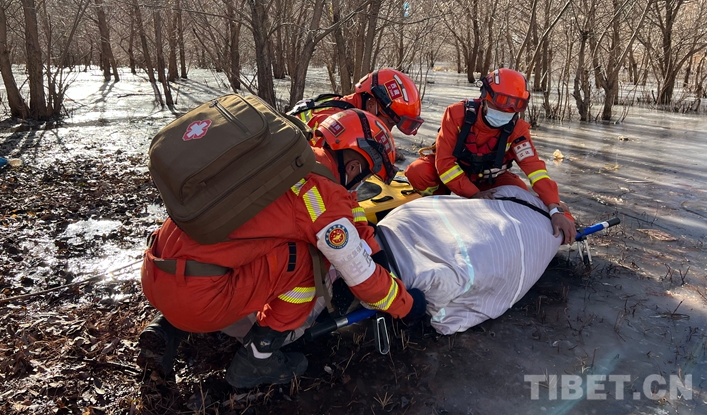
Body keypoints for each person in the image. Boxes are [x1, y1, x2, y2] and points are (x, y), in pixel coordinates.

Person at [138, 109, 426, 388]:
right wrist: (407, 306)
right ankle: (258, 357)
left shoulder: (290, 158)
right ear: (353, 168)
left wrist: (373, 247)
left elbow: (347, 208)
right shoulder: (321, 195)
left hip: (157, 271)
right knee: (310, 261)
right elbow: (361, 277)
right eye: (363, 178)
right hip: (197, 301)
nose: (358, 187)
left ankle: (168, 327)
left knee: (241, 247)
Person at [404, 68, 576, 244]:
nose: (507, 110)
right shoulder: (456, 115)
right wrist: (474, 194)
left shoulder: (517, 129)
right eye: (502, 101)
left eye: (516, 105)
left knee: (522, 196)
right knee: (418, 172)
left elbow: (535, 169)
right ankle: (438, 207)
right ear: (485, 95)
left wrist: (555, 209)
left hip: (490, 179)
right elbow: (445, 164)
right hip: (453, 177)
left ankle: (562, 213)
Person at [289, 68, 424, 143]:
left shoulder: (349, 112)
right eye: (389, 123)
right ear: (371, 104)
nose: (388, 131)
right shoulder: (335, 125)